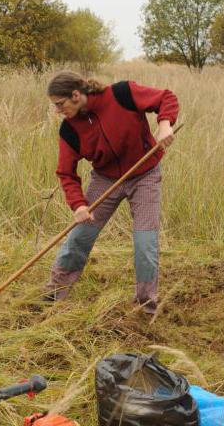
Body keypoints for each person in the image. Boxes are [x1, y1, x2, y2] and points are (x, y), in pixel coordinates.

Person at [45, 71, 178, 313]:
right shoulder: (69, 130)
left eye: (59, 104)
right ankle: (53, 295)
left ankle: (145, 306)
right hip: (105, 180)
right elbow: (66, 173)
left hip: (145, 176)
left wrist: (165, 124)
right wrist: (79, 205)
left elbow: (165, 98)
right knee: (78, 237)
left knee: (145, 243)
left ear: (76, 95)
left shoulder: (122, 94)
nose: (57, 111)